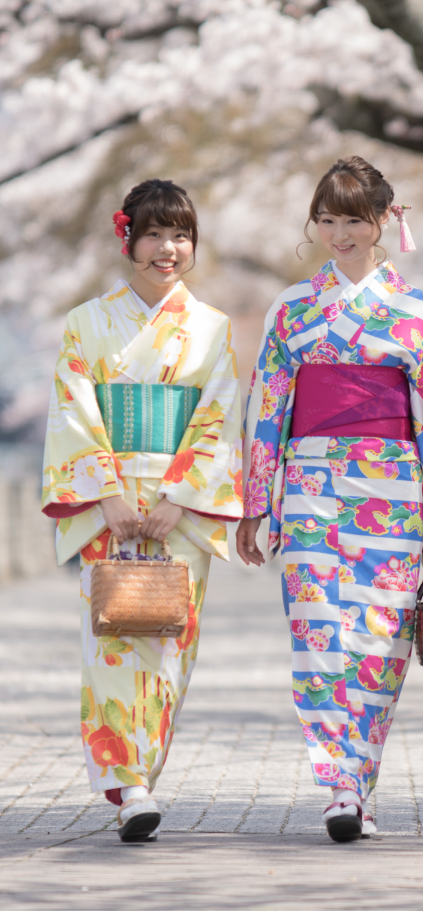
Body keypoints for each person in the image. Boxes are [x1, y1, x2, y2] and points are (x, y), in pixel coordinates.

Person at [236, 156, 423, 842]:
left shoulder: (412, 309)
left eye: (353, 219)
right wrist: (256, 504)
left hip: (394, 488)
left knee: (379, 643)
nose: (338, 233)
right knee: (319, 637)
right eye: (327, 218)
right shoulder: (291, 308)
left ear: (383, 223)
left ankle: (358, 784)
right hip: (311, 486)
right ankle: (338, 784)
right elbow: (268, 410)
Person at [41, 179, 244, 842]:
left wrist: (178, 496)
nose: (168, 248)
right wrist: (105, 492)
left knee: (167, 650)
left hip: (177, 510)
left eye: (181, 234)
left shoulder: (214, 329)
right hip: (110, 505)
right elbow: (74, 410)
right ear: (126, 236)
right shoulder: (86, 323)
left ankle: (142, 776)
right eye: (154, 233)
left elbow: (217, 415)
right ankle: (127, 784)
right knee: (111, 641)